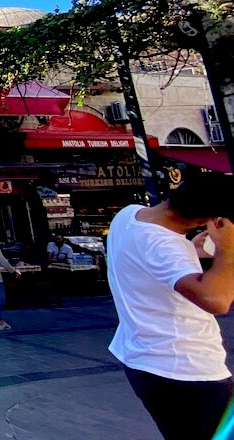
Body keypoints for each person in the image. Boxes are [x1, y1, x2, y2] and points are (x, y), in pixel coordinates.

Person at [107, 174, 234, 440]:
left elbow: (146, 256)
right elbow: (217, 300)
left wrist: (192, 249)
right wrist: (228, 250)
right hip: (189, 372)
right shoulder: (166, 247)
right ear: (210, 221)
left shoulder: (129, 216)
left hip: (145, 360)